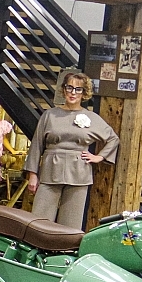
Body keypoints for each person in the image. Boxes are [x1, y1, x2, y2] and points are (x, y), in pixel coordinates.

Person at [25, 69, 120, 229]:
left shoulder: (91, 118)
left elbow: (113, 139)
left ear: (84, 93)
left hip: (78, 174)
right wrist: (32, 175)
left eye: (78, 89)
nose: (73, 92)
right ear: (64, 89)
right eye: (69, 87)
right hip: (50, 171)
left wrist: (99, 157)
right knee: (39, 222)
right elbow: (36, 145)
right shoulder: (50, 115)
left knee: (70, 225)